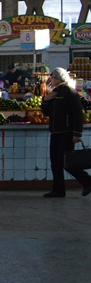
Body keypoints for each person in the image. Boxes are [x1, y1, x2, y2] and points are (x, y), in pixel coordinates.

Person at [40, 67, 91, 198]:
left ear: (59, 78)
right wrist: (45, 100)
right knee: (55, 162)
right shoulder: (54, 92)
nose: (51, 80)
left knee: (66, 162)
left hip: (66, 132)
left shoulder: (69, 92)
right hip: (55, 131)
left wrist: (77, 133)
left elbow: (77, 114)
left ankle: (87, 181)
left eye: (53, 77)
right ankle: (58, 190)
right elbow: (46, 112)